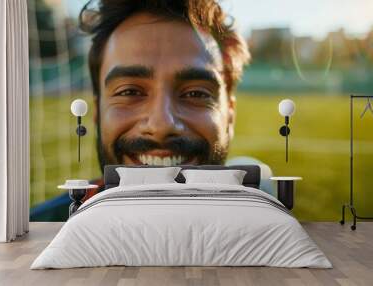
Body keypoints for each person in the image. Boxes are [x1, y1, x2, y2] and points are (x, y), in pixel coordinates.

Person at [30, 0, 250, 221]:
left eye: (196, 94)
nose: (161, 125)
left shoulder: (270, 240)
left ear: (230, 116)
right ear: (97, 112)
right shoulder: (43, 228)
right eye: (129, 92)